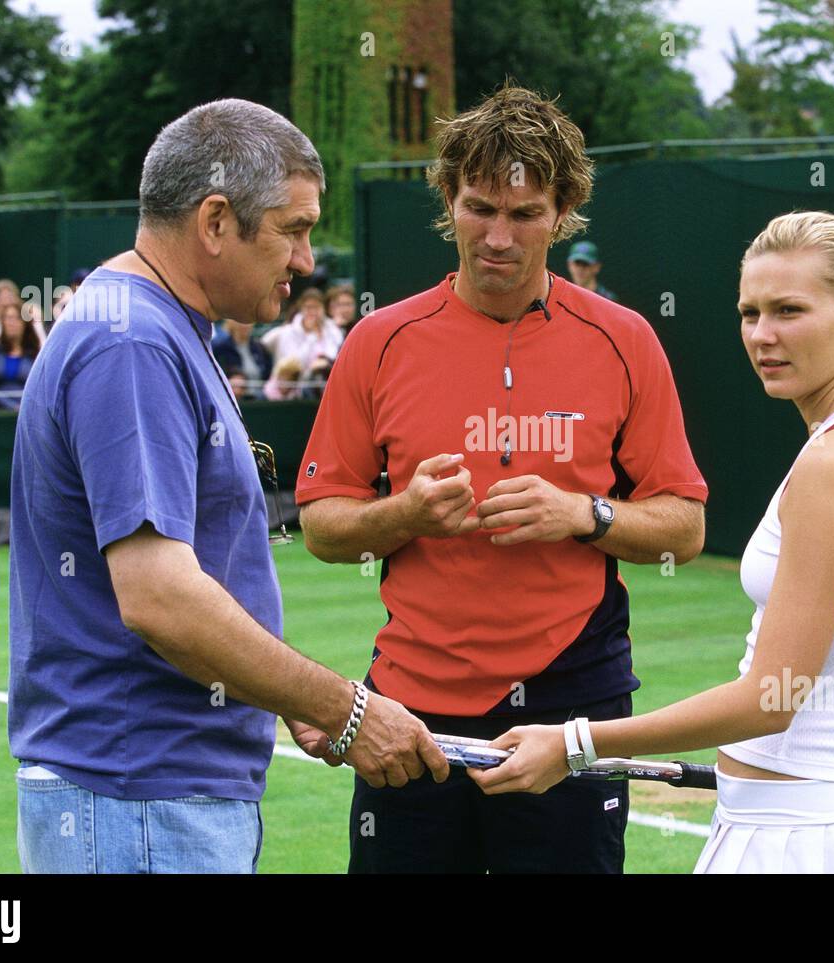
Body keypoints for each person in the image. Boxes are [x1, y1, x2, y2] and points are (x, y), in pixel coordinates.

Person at [7, 98, 447, 875]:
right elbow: (160, 597)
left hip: (145, 797)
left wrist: (283, 697)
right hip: (140, 801)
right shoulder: (132, 341)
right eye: (295, 228)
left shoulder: (153, 323)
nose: (307, 260)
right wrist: (340, 707)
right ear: (215, 221)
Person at [471, 211, 834, 875]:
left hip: (789, 841)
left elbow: (772, 697)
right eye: (750, 311)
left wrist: (574, 742)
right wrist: (832, 757)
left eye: (789, 310)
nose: (763, 335)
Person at [296, 84, 708, 874]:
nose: (498, 236)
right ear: (448, 198)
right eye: (480, 207)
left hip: (572, 702)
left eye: (525, 214)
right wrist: (407, 512)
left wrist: (585, 513)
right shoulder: (379, 341)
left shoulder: (625, 339)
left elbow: (684, 525)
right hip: (411, 708)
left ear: (564, 212)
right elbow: (320, 523)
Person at [262, 285, 344, 384]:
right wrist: (311, 336)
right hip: (296, 389)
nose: (313, 312)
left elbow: (336, 356)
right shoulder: (289, 331)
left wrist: (325, 363)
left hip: (327, 383)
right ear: (301, 309)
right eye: (309, 307)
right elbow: (294, 365)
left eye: (317, 307)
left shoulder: (332, 329)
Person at [0, 301, 42, 410]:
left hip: (26, 412)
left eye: (17, 318)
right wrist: (12, 406)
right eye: (8, 318)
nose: (12, 323)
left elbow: (40, 389)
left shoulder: (36, 355)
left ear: (25, 323)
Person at [212, 318, 272, 399]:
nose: (245, 325)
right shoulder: (219, 347)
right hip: (232, 398)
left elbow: (267, 376)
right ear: (232, 323)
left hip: (260, 399)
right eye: (240, 322)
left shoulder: (259, 348)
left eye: (248, 322)